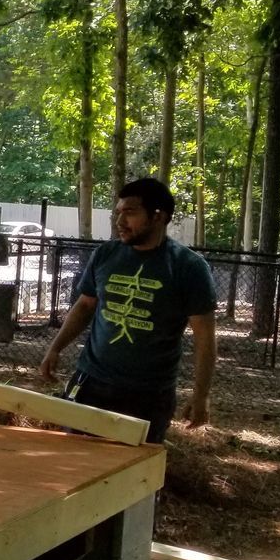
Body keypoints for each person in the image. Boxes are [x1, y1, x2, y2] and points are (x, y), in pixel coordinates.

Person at [37, 177, 215, 442]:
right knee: (74, 465)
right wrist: (55, 347)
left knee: (134, 475)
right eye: (118, 213)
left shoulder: (188, 267)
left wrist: (201, 395)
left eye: (130, 213)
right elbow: (85, 305)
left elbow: (205, 338)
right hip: (91, 383)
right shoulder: (105, 255)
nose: (120, 222)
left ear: (158, 216)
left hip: (148, 395)